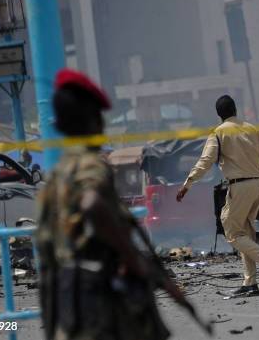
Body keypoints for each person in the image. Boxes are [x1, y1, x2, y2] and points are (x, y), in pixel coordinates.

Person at [36, 68, 170, 340]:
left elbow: (47, 251)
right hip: (98, 305)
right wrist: (135, 260)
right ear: (94, 122)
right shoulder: (91, 166)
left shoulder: (55, 179)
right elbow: (93, 204)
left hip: (66, 305)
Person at [177, 95, 259, 294]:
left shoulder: (218, 133)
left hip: (240, 186)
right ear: (235, 109)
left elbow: (205, 162)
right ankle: (250, 281)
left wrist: (187, 183)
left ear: (219, 114)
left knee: (232, 231)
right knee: (245, 232)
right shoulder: (252, 129)